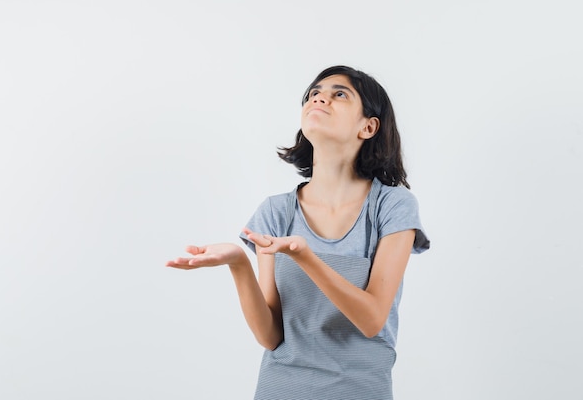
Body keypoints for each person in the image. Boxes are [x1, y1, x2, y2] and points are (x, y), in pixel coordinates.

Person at [166, 65, 430, 400]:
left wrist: (305, 256)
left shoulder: (392, 206)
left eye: (339, 94)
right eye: (313, 94)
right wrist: (238, 264)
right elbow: (271, 336)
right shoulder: (275, 212)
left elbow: (372, 319)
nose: (319, 98)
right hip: (280, 389)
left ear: (368, 126)